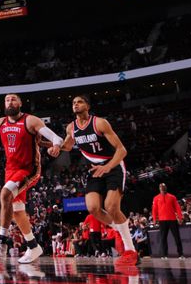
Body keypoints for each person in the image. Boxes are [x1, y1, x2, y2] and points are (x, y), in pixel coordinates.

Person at [0, 93, 63, 263]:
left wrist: (56, 147)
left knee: (5, 194)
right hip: (10, 170)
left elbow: (56, 138)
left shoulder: (31, 120)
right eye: (7, 100)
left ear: (20, 103)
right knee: (16, 211)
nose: (10, 101)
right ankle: (33, 246)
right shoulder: (0, 122)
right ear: (4, 104)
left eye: (14, 99)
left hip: (29, 169)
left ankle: (1, 243)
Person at [60, 94, 138, 266]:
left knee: (111, 206)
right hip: (95, 169)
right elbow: (66, 146)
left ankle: (131, 250)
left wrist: (108, 166)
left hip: (113, 166)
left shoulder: (100, 123)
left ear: (87, 106)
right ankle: (119, 228)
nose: (76, 104)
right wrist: (49, 145)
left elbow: (122, 150)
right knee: (93, 208)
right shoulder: (71, 128)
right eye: (73, 102)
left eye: (79, 102)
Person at [152, 183, 184, 259]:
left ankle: (180, 254)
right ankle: (164, 255)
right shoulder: (156, 198)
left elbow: (177, 208)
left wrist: (180, 217)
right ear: (159, 188)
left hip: (172, 220)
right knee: (163, 238)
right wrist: (154, 219)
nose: (162, 188)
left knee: (177, 237)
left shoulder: (172, 197)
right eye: (161, 187)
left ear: (166, 187)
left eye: (163, 187)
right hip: (162, 221)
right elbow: (154, 210)